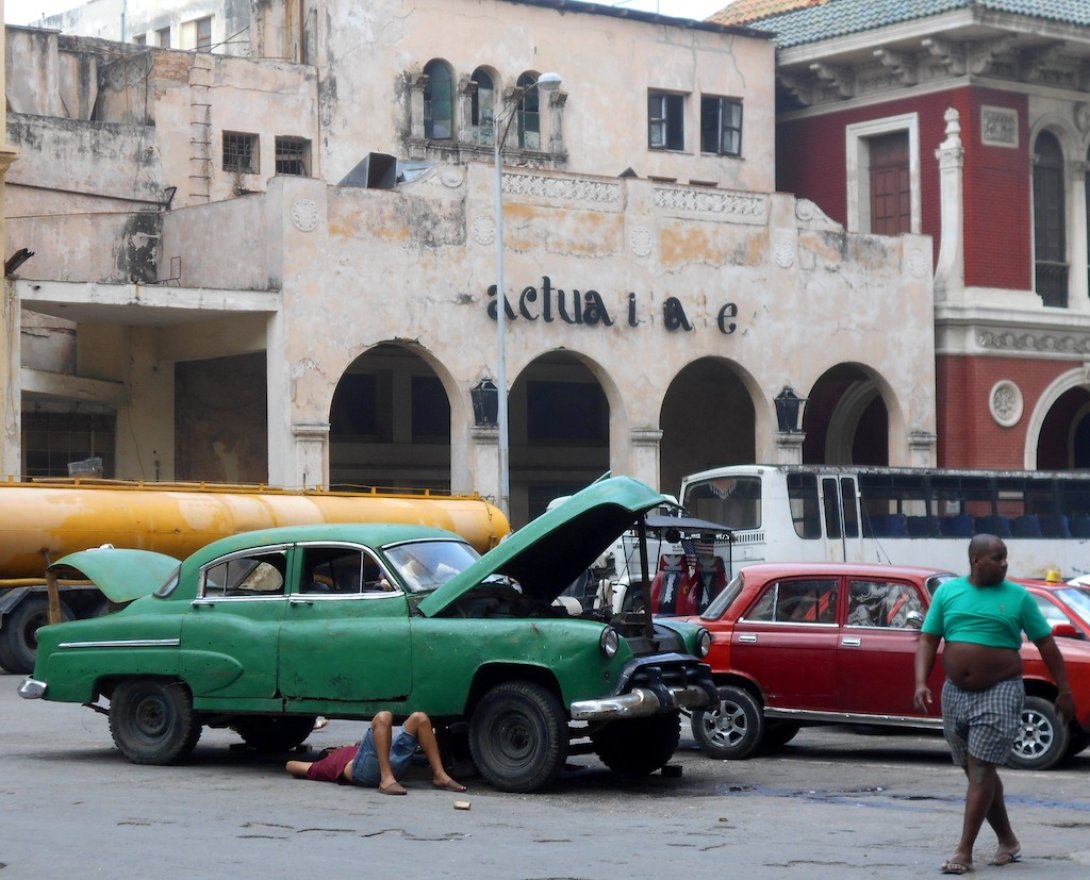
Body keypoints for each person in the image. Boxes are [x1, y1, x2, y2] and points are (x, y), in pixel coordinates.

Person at [914, 533, 1076, 875]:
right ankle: (1008, 840)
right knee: (975, 772)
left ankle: (964, 851)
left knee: (982, 769)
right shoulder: (948, 592)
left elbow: (1047, 645)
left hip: (1000, 690)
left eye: (1005, 558)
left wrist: (1064, 690)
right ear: (977, 561)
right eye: (997, 558)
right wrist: (920, 681)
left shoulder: (1018, 597)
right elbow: (929, 639)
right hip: (955, 692)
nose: (1005, 564)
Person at [286, 710, 466, 795]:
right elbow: (291, 766)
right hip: (366, 773)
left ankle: (439, 775)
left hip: (388, 761)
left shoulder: (359, 749)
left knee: (420, 718)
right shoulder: (329, 763)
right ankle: (386, 780)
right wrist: (319, 764)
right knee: (383, 717)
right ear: (329, 752)